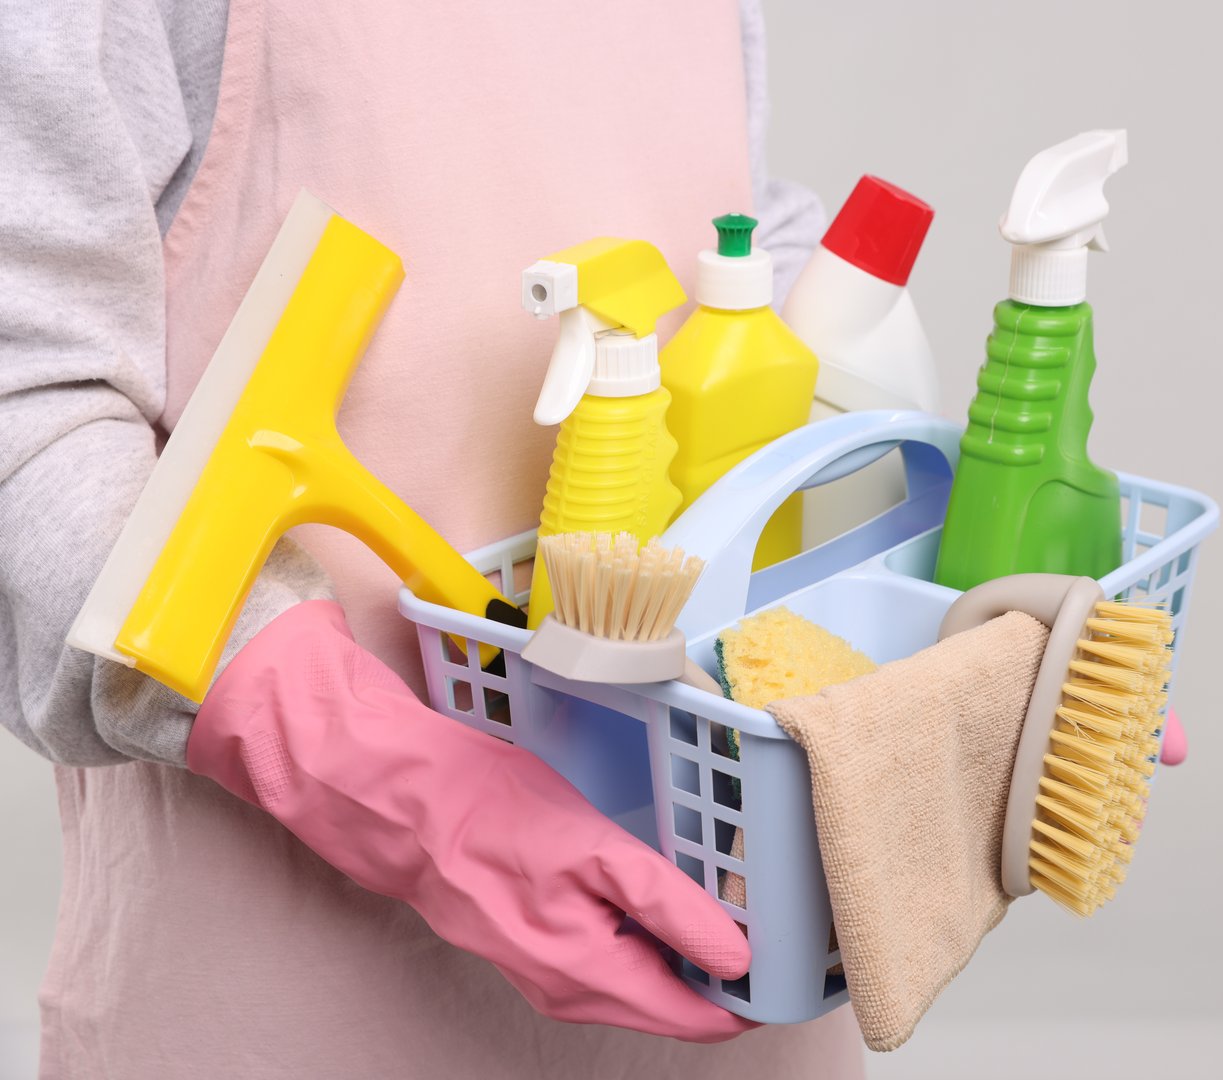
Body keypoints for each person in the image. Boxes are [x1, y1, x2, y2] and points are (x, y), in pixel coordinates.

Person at [0, 0, 865, 1076]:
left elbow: (724, 242)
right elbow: (27, 408)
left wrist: (938, 643)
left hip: (740, 952)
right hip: (296, 1005)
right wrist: (389, 775)